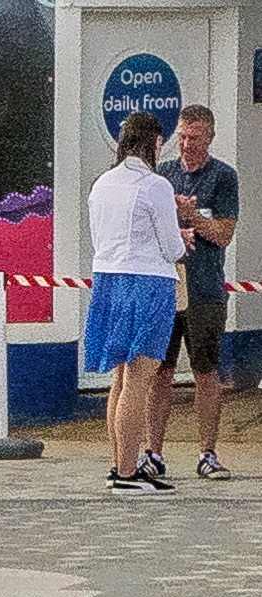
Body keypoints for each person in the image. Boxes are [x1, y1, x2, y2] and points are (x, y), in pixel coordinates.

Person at [86, 111, 185, 496]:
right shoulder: (156, 186)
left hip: (108, 281)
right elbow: (172, 247)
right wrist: (183, 239)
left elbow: (99, 239)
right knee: (139, 379)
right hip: (148, 283)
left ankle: (119, 466)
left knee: (120, 379)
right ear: (154, 143)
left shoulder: (101, 184)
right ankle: (128, 474)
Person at [147, 104, 239, 482]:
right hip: (167, 287)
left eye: (195, 138)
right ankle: (153, 452)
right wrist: (173, 219)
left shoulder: (223, 177)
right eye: (182, 137)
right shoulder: (163, 175)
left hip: (205, 288)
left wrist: (193, 217)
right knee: (159, 372)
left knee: (205, 372)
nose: (187, 145)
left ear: (210, 137)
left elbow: (224, 233)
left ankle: (207, 452)